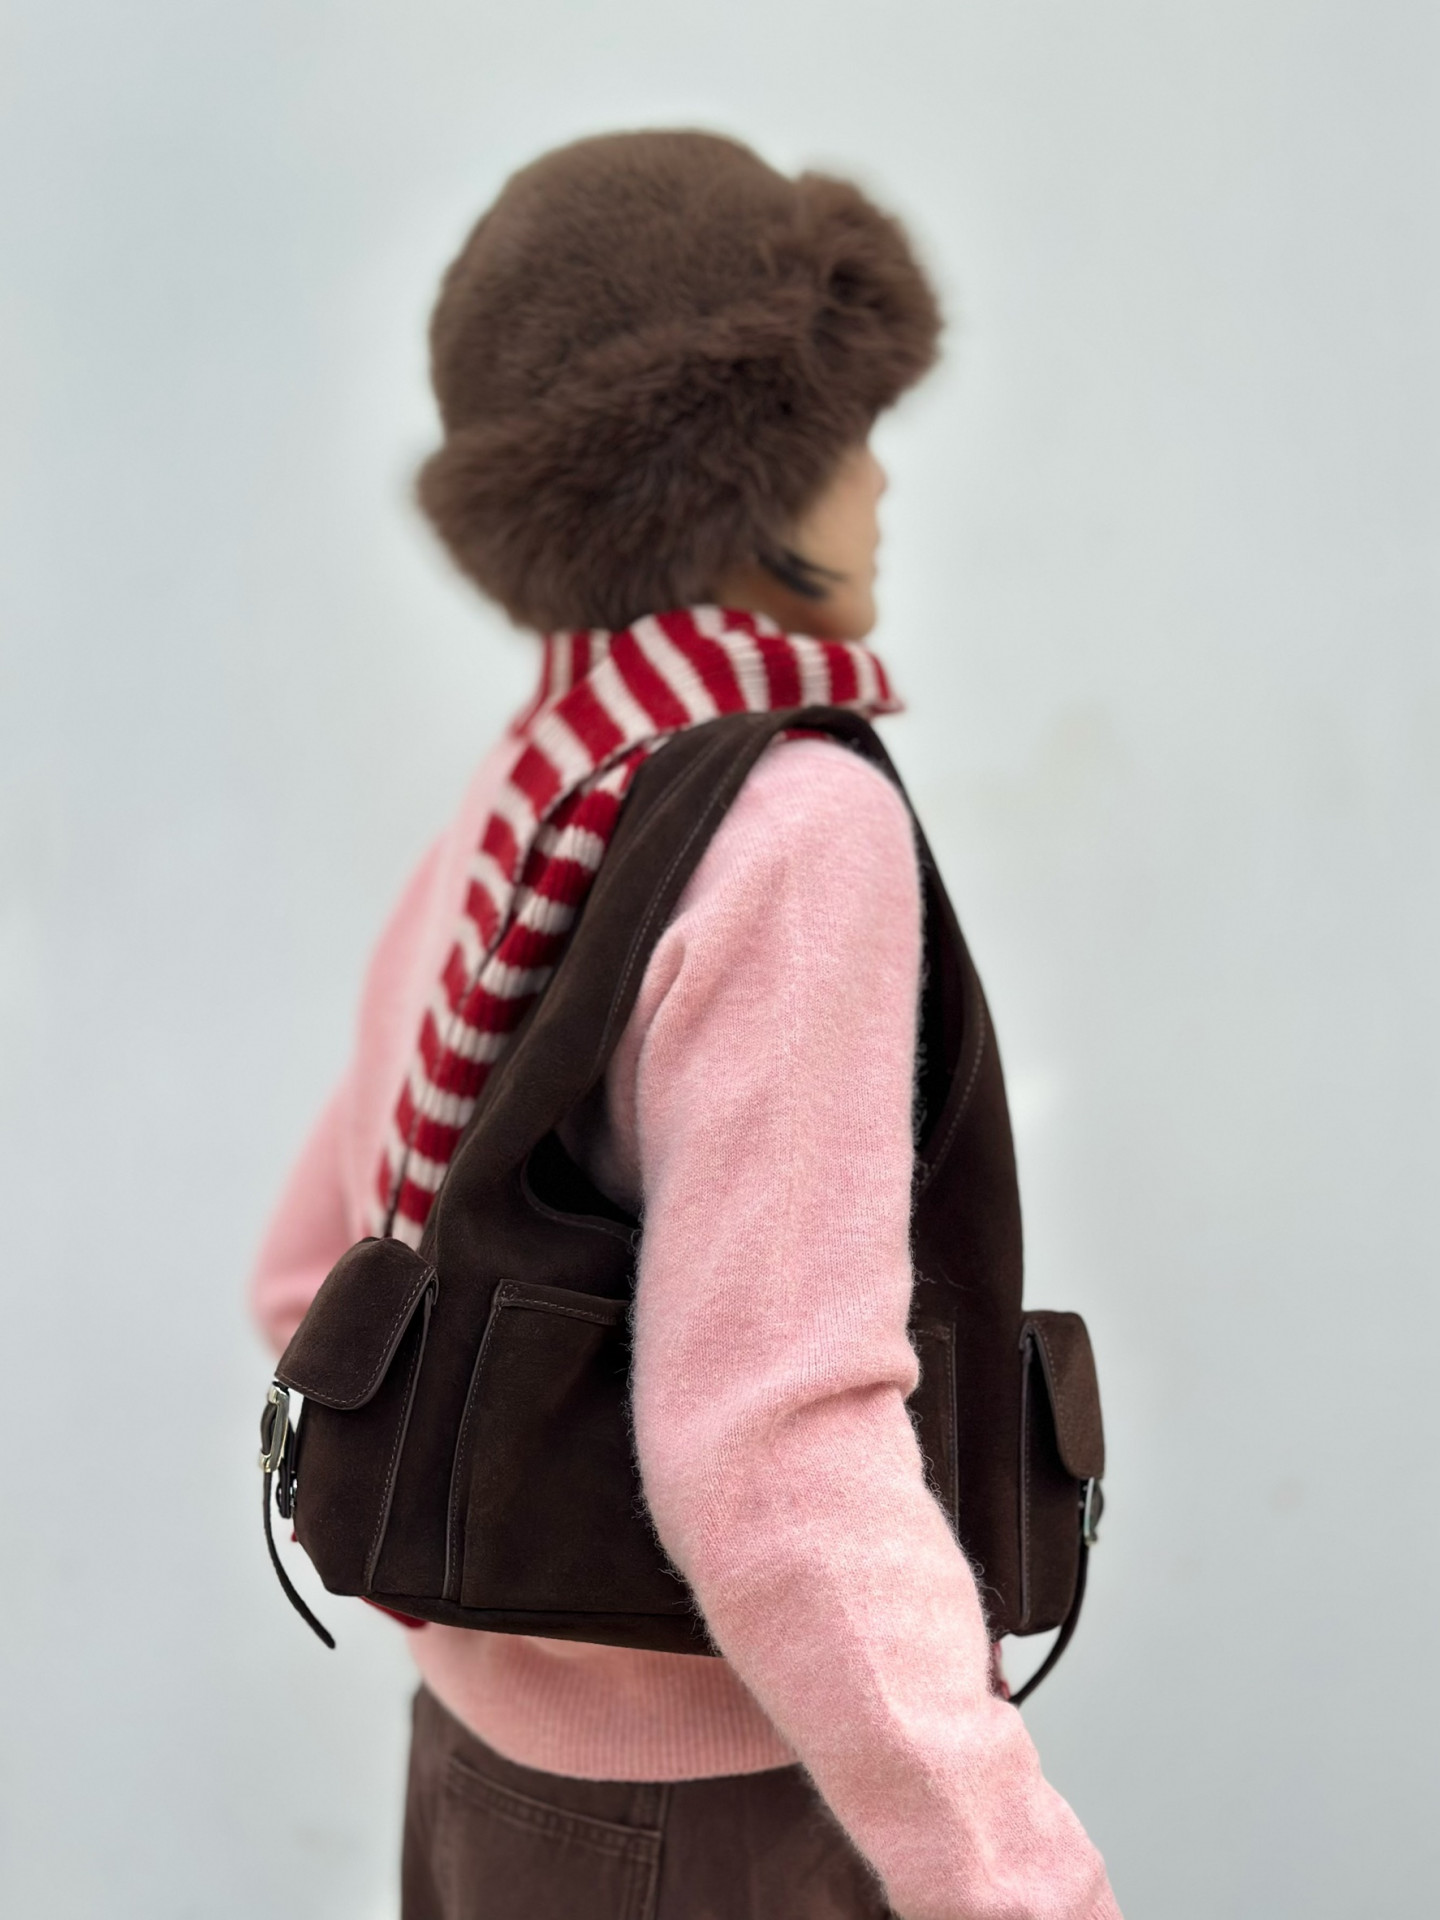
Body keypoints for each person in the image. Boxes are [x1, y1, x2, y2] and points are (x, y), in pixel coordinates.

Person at [250, 128, 1121, 1920]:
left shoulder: (541, 785)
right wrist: (1017, 1880)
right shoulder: (792, 825)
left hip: (475, 1781)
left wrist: (507, 1633)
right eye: (842, 429)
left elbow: (307, 1275)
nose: (881, 478)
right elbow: (773, 1445)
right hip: (721, 1821)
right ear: (733, 475)